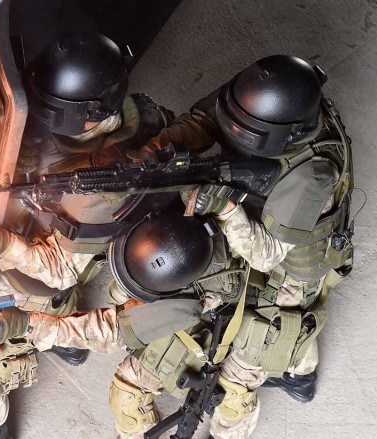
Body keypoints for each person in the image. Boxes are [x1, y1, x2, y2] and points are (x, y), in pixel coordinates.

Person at [0, 33, 175, 439]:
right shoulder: (144, 116)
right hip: (83, 244)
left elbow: (61, 270)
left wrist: (1, 242)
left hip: (53, 265)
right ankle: (66, 334)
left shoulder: (98, 185)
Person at [143, 54, 355, 438]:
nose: (233, 132)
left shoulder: (313, 174)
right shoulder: (259, 95)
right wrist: (159, 148)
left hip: (294, 254)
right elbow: (205, 119)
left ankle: (300, 375)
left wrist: (225, 207)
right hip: (268, 210)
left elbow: (266, 254)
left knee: (283, 320)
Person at [0, 211, 244, 439]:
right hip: (166, 263)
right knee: (42, 284)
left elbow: (106, 331)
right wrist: (5, 243)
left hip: (211, 321)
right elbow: (62, 265)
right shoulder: (155, 206)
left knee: (128, 399)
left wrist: (26, 324)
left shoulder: (182, 306)